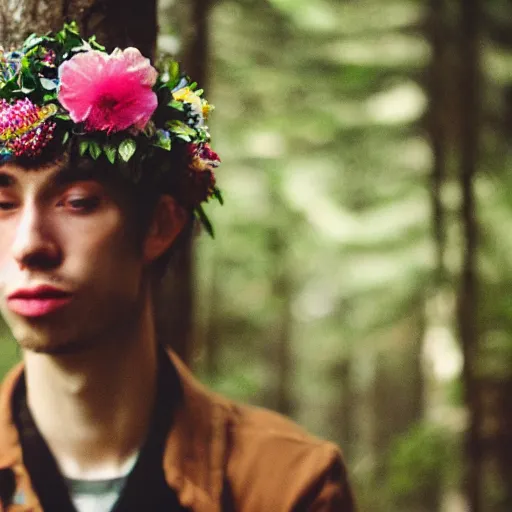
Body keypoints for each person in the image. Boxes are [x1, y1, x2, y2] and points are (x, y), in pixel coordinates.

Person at [0, 24, 355, 511]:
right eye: (1, 203)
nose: (28, 245)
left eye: (78, 201)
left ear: (160, 225)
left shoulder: (288, 485)